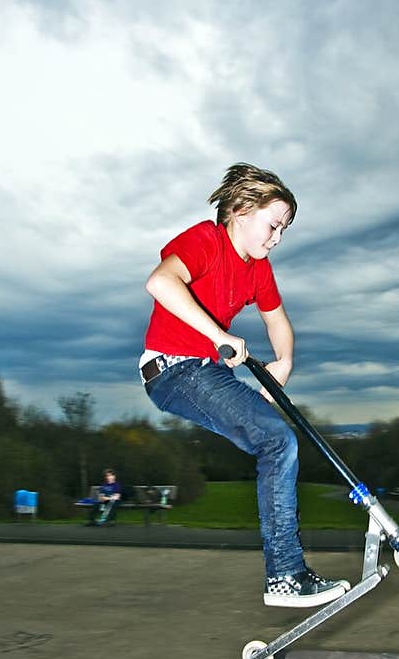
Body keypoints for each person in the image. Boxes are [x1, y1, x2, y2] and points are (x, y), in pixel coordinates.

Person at [139, 163, 350, 608]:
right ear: (239, 209)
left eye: (283, 231)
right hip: (171, 367)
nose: (276, 238)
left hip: (204, 371)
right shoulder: (205, 241)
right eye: (273, 225)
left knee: (273, 441)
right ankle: (286, 577)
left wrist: (284, 364)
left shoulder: (258, 270)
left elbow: (278, 322)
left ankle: (287, 574)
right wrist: (218, 335)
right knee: (277, 441)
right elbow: (160, 281)